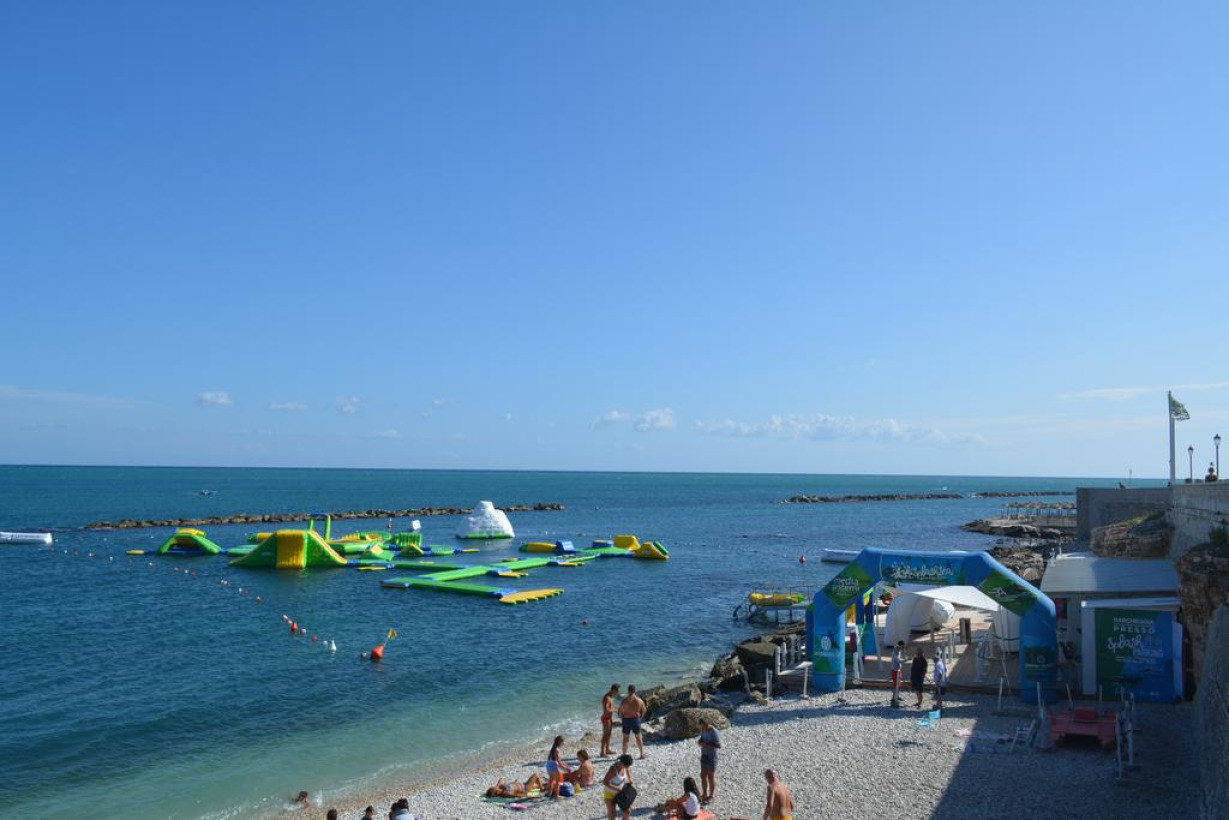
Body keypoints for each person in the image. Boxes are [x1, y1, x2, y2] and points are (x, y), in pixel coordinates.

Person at [603, 754, 634, 820]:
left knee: (627, 812)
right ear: (622, 763)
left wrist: (630, 780)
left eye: (628, 766)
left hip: (621, 793)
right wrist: (617, 788)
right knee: (612, 813)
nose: (628, 767)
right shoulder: (613, 769)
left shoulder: (626, 768)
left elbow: (630, 778)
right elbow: (605, 782)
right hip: (610, 793)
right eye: (627, 766)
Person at [619, 684, 647, 759]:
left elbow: (620, 712)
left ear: (628, 691)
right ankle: (642, 754)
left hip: (626, 720)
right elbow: (644, 710)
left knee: (625, 739)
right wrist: (640, 718)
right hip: (635, 720)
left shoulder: (624, 701)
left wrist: (622, 719)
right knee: (638, 737)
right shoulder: (639, 700)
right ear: (635, 691)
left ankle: (624, 755)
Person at [698, 717, 722, 802]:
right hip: (704, 755)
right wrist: (700, 742)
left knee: (710, 776)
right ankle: (704, 793)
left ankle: (711, 796)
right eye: (702, 726)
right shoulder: (703, 730)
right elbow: (701, 739)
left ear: (708, 724)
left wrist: (708, 745)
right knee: (703, 775)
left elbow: (719, 745)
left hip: (712, 757)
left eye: (704, 726)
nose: (703, 728)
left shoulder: (714, 731)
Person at [600, 684, 620, 756]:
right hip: (606, 718)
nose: (618, 692)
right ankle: (602, 752)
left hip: (609, 718)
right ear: (614, 690)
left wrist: (617, 709)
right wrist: (615, 710)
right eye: (617, 691)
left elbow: (611, 707)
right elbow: (607, 709)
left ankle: (607, 750)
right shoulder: (607, 698)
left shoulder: (611, 697)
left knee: (609, 734)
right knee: (605, 735)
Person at [889, 640, 904, 707]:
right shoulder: (895, 651)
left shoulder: (898, 650)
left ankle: (897, 696)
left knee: (898, 683)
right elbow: (898, 660)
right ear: (900, 646)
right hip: (895, 670)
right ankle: (893, 698)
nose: (903, 648)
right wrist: (906, 660)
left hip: (898, 669)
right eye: (902, 647)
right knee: (895, 685)